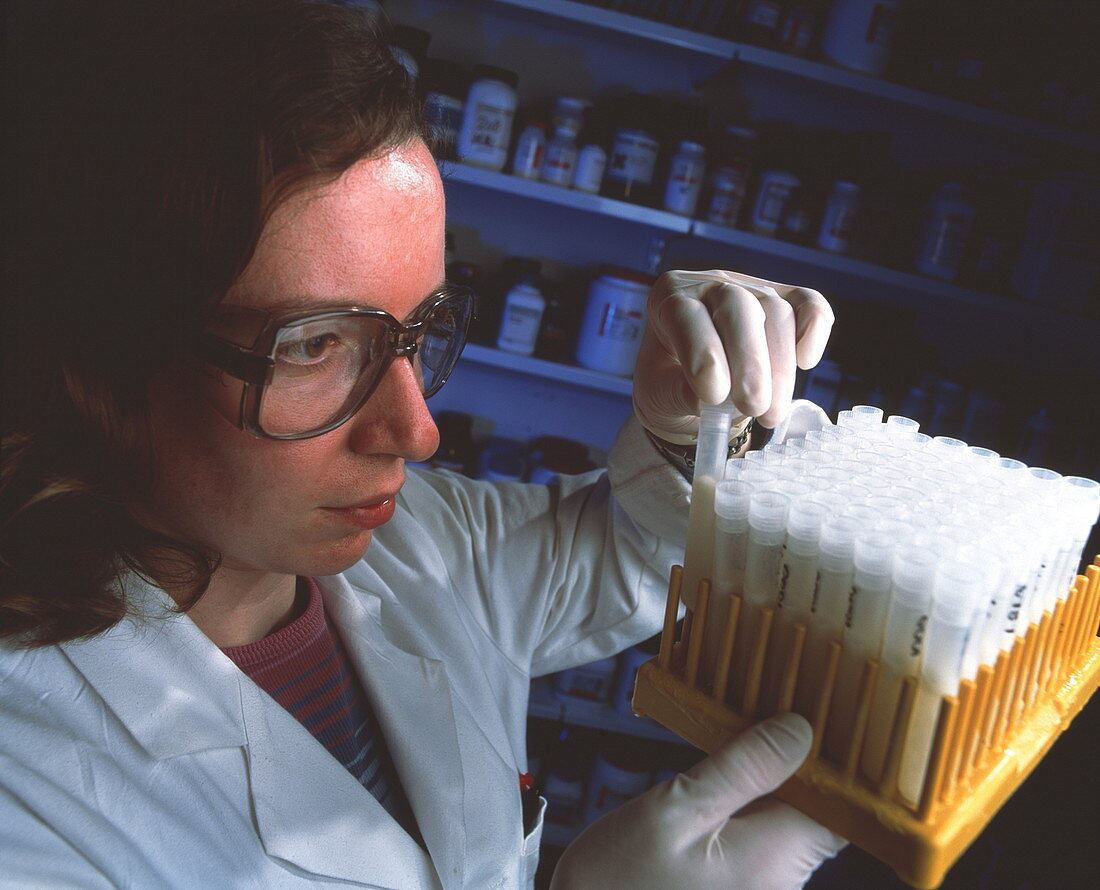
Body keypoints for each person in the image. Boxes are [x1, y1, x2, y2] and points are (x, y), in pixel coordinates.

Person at [1, 1, 844, 887]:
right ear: (96, 354)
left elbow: (632, 546)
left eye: (419, 330)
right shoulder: (29, 791)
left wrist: (690, 428)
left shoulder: (422, 542)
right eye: (314, 345)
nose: (416, 431)